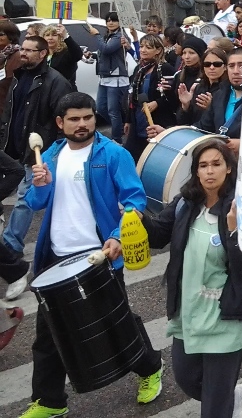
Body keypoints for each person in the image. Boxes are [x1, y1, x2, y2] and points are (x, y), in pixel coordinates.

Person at [19, 92, 164, 416]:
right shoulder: (52, 154)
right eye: (74, 118)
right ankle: (49, 401)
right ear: (61, 123)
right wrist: (40, 185)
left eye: (87, 117)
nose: (82, 124)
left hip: (98, 256)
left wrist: (116, 237)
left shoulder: (113, 154)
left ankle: (150, 367)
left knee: (118, 323)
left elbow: (134, 201)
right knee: (49, 333)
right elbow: (36, 203)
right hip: (55, 257)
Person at [138, 137, 242, 418]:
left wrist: (233, 231)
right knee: (186, 378)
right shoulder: (185, 203)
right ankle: (229, 400)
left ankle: (222, 405)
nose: (209, 171)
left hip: (226, 314)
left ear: (229, 168)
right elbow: (158, 236)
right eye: (203, 165)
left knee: (214, 408)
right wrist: (139, 216)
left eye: (216, 164)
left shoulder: (241, 207)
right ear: (195, 171)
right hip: (189, 311)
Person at [0, 36, 73, 263]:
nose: (24, 53)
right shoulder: (18, 76)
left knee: (24, 199)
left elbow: (63, 121)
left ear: (43, 54)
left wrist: (56, 151)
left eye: (30, 50)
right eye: (23, 49)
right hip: (15, 147)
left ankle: (11, 245)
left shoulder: (56, 82)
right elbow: (11, 112)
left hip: (39, 151)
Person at [123, 34, 177, 161]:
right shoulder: (139, 69)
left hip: (157, 121)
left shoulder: (164, 69)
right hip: (138, 120)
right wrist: (128, 120)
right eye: (141, 46)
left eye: (148, 47)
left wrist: (157, 102)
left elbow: (173, 97)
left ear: (158, 50)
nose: (142, 50)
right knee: (131, 157)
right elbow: (133, 97)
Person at [95, 12, 132, 144]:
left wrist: (96, 35)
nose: (110, 23)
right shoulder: (107, 36)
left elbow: (107, 49)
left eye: (114, 20)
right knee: (100, 107)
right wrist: (92, 56)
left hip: (116, 77)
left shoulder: (120, 36)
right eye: (108, 20)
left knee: (113, 110)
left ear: (119, 22)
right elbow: (103, 54)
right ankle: (120, 126)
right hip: (104, 76)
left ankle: (117, 139)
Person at [42, 24, 84, 90]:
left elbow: (78, 55)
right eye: (47, 35)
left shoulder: (65, 52)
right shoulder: (42, 54)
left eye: (54, 35)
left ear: (60, 37)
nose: (50, 38)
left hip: (64, 91)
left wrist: (66, 36)